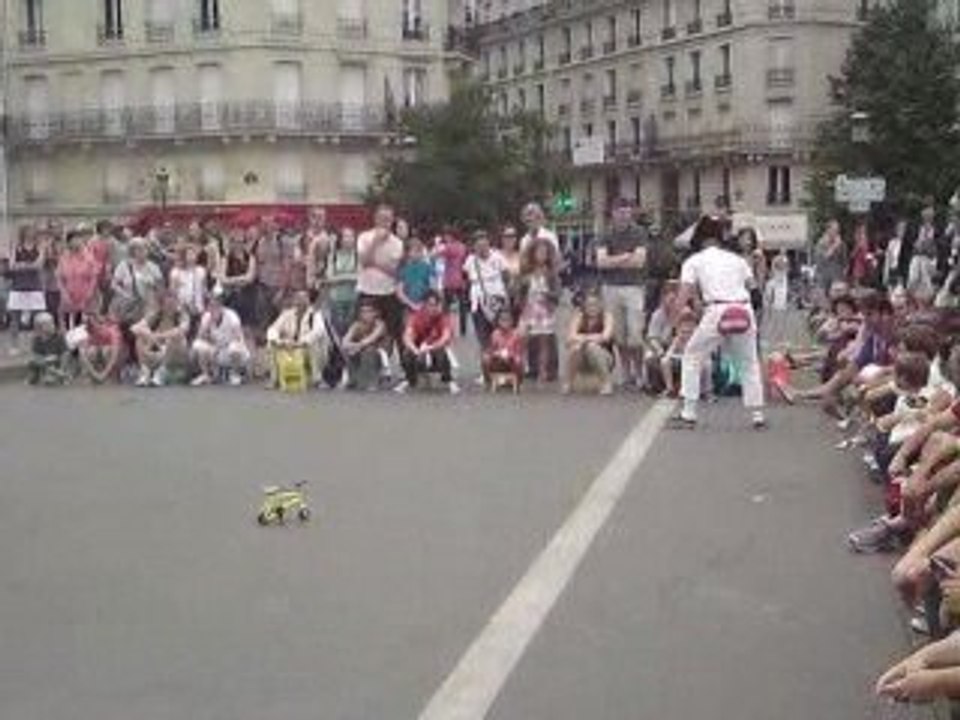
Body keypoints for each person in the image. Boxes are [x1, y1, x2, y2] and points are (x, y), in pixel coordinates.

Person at [673, 215, 766, 429]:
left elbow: (685, 292)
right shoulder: (737, 260)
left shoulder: (694, 261)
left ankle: (689, 412)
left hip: (716, 309)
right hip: (743, 308)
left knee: (693, 356)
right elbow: (754, 288)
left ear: (700, 238)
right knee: (749, 362)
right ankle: (757, 414)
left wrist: (676, 316)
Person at [596, 198, 649, 388]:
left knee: (635, 334)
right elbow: (601, 262)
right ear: (613, 213)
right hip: (610, 287)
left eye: (627, 212)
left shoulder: (639, 232)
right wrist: (626, 256)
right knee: (618, 335)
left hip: (634, 287)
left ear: (631, 213)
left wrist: (614, 260)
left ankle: (639, 371)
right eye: (620, 212)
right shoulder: (605, 233)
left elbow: (639, 262)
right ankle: (626, 373)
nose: (624, 215)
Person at [357, 204, 405, 347]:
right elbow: (365, 261)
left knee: (391, 333)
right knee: (365, 331)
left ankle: (388, 359)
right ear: (375, 219)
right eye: (382, 218)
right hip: (367, 292)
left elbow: (394, 271)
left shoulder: (397, 243)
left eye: (388, 219)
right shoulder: (364, 237)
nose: (385, 222)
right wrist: (375, 242)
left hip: (388, 293)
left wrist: (376, 263)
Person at [395, 290, 459, 394]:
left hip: (435, 348)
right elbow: (407, 336)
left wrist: (431, 347)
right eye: (429, 305)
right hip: (419, 348)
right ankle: (410, 380)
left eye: (435, 305)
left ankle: (448, 380)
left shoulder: (443, 317)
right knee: (407, 353)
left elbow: (445, 337)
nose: (432, 308)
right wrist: (415, 350)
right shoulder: (416, 317)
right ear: (424, 305)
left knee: (441, 353)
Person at [266, 290, 330, 388]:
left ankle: (317, 379)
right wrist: (279, 341)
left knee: (314, 343)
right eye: (298, 299)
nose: (300, 301)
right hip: (290, 348)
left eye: (303, 299)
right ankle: (274, 379)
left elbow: (318, 331)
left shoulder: (315, 315)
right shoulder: (287, 314)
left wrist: (300, 343)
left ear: (308, 301)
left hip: (307, 349)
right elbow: (273, 329)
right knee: (271, 345)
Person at [518, 238, 562, 385]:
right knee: (523, 340)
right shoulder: (526, 272)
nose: (542, 255)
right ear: (532, 253)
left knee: (544, 343)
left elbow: (557, 293)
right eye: (539, 251)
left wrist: (547, 295)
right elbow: (518, 291)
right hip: (528, 309)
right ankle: (520, 368)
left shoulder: (551, 273)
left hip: (544, 310)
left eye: (545, 252)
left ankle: (543, 372)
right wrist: (522, 286)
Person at [131, 290, 190, 387]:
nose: (170, 307)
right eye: (167, 304)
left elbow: (182, 330)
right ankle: (145, 372)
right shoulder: (156, 315)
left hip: (175, 354)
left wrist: (159, 336)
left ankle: (161, 373)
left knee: (176, 338)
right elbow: (134, 328)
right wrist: (150, 335)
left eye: (173, 303)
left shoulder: (182, 315)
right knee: (139, 339)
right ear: (162, 304)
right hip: (157, 351)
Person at [191, 294, 251, 386]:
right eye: (210, 306)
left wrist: (221, 347)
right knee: (197, 345)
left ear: (221, 306)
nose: (213, 309)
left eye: (215, 306)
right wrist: (207, 326)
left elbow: (238, 338)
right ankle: (206, 375)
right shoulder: (207, 317)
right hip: (217, 351)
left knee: (233, 347)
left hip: (235, 352)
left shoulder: (231, 315)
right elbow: (199, 337)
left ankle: (235, 374)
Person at [563, 290, 615, 395]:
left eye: (595, 304)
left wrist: (583, 338)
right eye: (589, 305)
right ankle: (568, 383)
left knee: (592, 347)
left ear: (600, 305)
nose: (592, 307)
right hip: (582, 357)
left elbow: (606, 337)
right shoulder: (579, 317)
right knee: (576, 348)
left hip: (604, 357)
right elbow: (569, 339)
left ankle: (606, 383)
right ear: (584, 306)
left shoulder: (607, 316)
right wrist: (592, 338)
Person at [464, 229, 509, 350]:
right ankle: (487, 363)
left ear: (489, 244)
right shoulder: (470, 260)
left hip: (497, 301)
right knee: (483, 339)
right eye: (478, 245)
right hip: (478, 303)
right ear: (474, 247)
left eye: (484, 244)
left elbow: (506, 277)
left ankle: (501, 363)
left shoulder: (498, 257)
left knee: (500, 336)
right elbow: (466, 278)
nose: (482, 248)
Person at [7, 226, 47, 355]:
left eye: (32, 231)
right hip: (18, 286)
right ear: (23, 233)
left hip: (35, 286)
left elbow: (39, 265)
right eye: (28, 231)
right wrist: (29, 265)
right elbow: (12, 265)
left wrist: (23, 265)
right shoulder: (16, 247)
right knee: (15, 318)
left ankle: (37, 345)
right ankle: (14, 345)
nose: (31, 233)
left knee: (39, 318)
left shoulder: (40, 247)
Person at [109, 236, 163, 328]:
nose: (142, 252)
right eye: (138, 249)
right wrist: (125, 294)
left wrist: (153, 286)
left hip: (148, 307)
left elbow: (161, 288)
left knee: (142, 330)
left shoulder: (154, 267)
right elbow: (114, 284)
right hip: (128, 306)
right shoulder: (124, 265)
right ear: (132, 251)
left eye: (144, 248)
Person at [56, 229, 99, 330]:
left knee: (80, 324)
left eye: (78, 239)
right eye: (73, 240)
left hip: (84, 295)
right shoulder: (64, 257)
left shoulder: (89, 258)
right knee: (66, 322)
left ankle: (79, 343)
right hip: (68, 295)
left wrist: (90, 293)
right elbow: (59, 278)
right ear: (68, 242)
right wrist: (64, 294)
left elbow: (93, 277)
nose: (76, 242)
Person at [341, 301, 387, 391]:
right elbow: (344, 342)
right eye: (363, 312)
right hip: (361, 350)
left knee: (368, 351)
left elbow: (370, 339)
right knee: (350, 352)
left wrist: (356, 346)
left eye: (369, 311)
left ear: (375, 313)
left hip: (380, 352)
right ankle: (352, 380)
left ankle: (372, 382)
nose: (366, 314)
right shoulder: (356, 325)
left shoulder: (380, 324)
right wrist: (354, 347)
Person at [218, 228, 258, 329]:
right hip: (230, 296)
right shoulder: (225, 258)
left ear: (244, 243)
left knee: (246, 326)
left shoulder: (250, 257)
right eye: (235, 242)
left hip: (248, 296)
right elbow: (222, 279)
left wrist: (232, 280)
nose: (237, 245)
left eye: (240, 242)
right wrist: (241, 279)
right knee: (231, 325)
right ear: (231, 243)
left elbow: (250, 278)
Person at [434, 227, 469, 336]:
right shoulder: (463, 247)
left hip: (449, 280)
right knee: (462, 306)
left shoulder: (448, 247)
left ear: (450, 236)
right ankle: (463, 329)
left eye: (446, 235)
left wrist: (437, 243)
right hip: (460, 279)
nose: (445, 237)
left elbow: (435, 255)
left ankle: (445, 328)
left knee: (446, 307)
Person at [326, 227, 358, 339]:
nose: (349, 239)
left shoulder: (357, 255)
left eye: (351, 236)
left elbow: (359, 277)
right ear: (341, 239)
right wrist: (349, 276)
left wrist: (339, 277)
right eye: (346, 236)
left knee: (350, 332)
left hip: (353, 299)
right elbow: (329, 278)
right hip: (336, 299)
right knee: (337, 332)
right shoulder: (334, 256)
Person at [77, 310, 125, 384]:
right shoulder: (85, 332)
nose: (89, 326)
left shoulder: (111, 331)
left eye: (91, 323)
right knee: (91, 351)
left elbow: (114, 355)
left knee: (106, 350)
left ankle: (112, 376)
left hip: (117, 356)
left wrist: (103, 374)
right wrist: (94, 374)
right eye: (87, 324)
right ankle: (92, 375)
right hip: (98, 355)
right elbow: (82, 355)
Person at [169, 244, 207, 333]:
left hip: (198, 308)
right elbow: (172, 293)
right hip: (182, 309)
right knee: (185, 329)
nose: (193, 256)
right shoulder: (176, 272)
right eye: (189, 254)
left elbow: (204, 290)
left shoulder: (201, 270)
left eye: (194, 253)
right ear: (183, 256)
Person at [482, 308, 524, 387]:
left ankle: (518, 381)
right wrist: (496, 354)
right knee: (485, 358)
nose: (505, 323)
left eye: (508, 320)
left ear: (512, 321)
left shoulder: (516, 334)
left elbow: (519, 351)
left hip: (511, 360)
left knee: (519, 360)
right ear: (498, 322)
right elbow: (490, 350)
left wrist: (510, 355)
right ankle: (488, 380)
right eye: (502, 320)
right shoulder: (495, 334)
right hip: (498, 359)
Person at [28, 312, 67, 385]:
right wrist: (43, 361)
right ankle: (35, 377)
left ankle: (57, 375)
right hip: (45, 362)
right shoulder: (37, 339)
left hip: (56, 362)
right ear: (40, 327)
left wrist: (62, 369)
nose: (52, 326)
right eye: (48, 324)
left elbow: (65, 354)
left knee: (49, 381)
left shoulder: (59, 337)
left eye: (52, 323)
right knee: (32, 361)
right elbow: (36, 355)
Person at [397, 237, 435, 312]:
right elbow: (400, 292)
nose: (418, 253)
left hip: (425, 307)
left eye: (419, 251)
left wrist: (424, 303)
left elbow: (432, 287)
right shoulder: (403, 269)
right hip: (408, 307)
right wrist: (411, 304)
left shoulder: (427, 267)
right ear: (408, 253)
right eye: (415, 251)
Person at [815, 219, 847, 295]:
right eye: (834, 230)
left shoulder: (841, 244)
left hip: (837, 278)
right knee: (824, 303)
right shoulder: (821, 243)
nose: (836, 232)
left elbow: (844, 261)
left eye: (837, 230)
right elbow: (823, 258)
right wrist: (835, 246)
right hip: (824, 279)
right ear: (828, 230)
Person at [305, 207, 333, 293]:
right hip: (303, 284)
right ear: (309, 218)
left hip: (322, 284)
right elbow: (297, 259)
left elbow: (329, 261)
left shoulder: (331, 239)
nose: (317, 220)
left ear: (325, 219)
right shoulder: (303, 237)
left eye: (320, 217)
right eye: (314, 216)